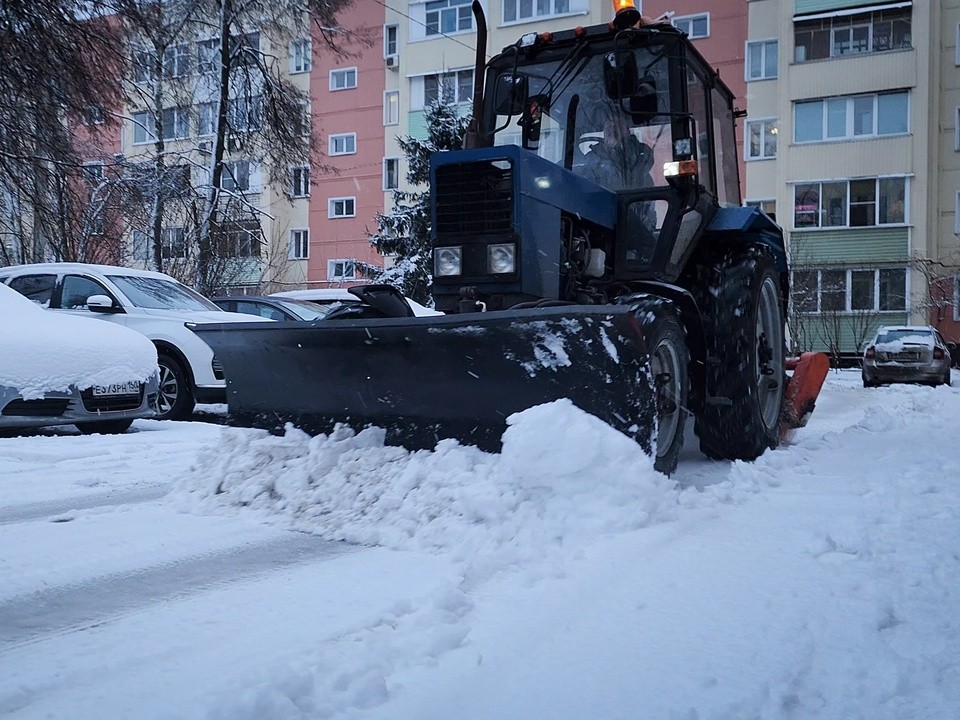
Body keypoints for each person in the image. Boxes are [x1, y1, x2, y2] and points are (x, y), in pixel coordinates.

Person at [582, 114, 654, 192]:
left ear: (627, 131)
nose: (613, 130)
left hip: (634, 198)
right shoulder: (593, 156)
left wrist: (616, 149)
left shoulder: (641, 151)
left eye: (618, 126)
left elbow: (635, 172)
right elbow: (588, 183)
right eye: (609, 127)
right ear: (604, 132)